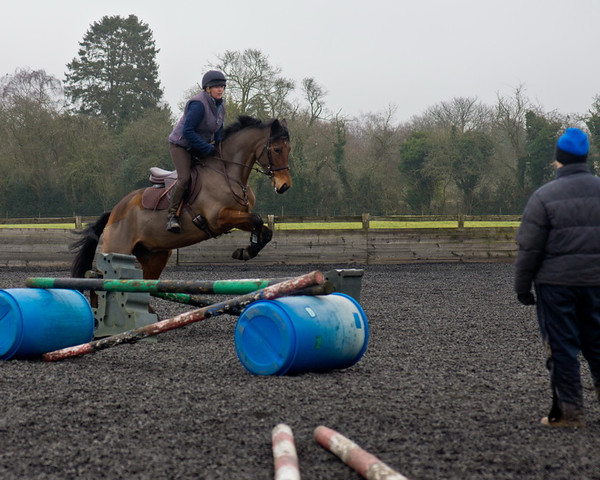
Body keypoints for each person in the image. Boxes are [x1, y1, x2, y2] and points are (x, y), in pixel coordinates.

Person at [514, 127, 600, 428]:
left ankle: (570, 413)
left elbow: (529, 248)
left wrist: (522, 288)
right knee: (598, 343)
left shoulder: (543, 197)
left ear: (558, 160)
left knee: (562, 347)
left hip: (556, 285)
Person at [166, 70, 227, 233]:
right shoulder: (198, 104)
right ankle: (172, 216)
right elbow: (188, 132)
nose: (220, 90)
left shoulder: (221, 107)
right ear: (207, 89)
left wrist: (220, 149)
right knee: (185, 178)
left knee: (215, 173)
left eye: (222, 86)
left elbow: (219, 130)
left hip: (199, 146)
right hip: (181, 146)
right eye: (216, 87)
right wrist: (208, 149)